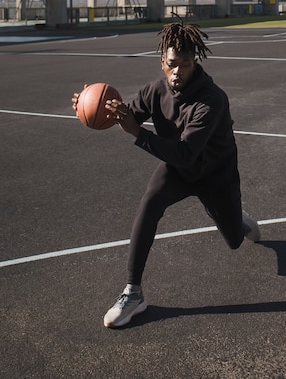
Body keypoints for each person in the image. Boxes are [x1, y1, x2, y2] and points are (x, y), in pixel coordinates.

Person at [73, 19, 260, 328]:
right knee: (149, 205)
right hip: (177, 171)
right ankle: (133, 292)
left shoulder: (211, 100)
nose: (177, 72)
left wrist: (138, 133)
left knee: (234, 241)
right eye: (172, 64)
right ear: (162, 62)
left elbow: (187, 153)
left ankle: (237, 219)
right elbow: (129, 114)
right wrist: (93, 107)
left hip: (215, 175)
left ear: (194, 63)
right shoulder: (156, 90)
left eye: (185, 65)